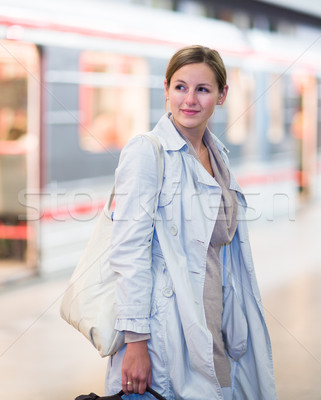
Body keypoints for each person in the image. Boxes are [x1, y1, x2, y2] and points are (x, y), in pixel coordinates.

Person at [105, 45, 278, 400]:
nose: (190, 100)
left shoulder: (218, 158)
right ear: (166, 89)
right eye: (181, 87)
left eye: (203, 89)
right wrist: (135, 343)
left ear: (222, 95)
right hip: (166, 332)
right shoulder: (146, 152)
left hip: (215, 321)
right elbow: (129, 252)